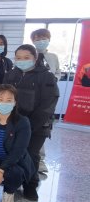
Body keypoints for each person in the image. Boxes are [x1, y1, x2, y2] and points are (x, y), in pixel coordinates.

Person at [4, 44, 59, 201]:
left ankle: (30, 185)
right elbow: (3, 95)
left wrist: (29, 125)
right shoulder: (11, 75)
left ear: (35, 58)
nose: (22, 61)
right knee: (14, 153)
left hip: (37, 126)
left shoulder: (46, 76)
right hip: (14, 123)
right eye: (18, 58)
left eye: (26, 57)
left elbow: (48, 104)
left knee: (31, 155)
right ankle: (13, 182)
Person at [0, 85, 35, 202]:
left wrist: (0, 171)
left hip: (14, 163)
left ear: (15, 103)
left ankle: (9, 191)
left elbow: (17, 152)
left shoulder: (23, 122)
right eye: (1, 99)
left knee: (14, 173)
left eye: (9, 100)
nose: (4, 103)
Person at [31, 28, 61, 175]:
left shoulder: (53, 57)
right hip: (33, 97)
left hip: (48, 97)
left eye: (43, 38)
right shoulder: (31, 56)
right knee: (31, 126)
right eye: (37, 39)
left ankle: (40, 160)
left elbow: (58, 72)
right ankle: (31, 157)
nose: (40, 41)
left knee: (43, 127)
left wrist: (54, 79)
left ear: (48, 39)